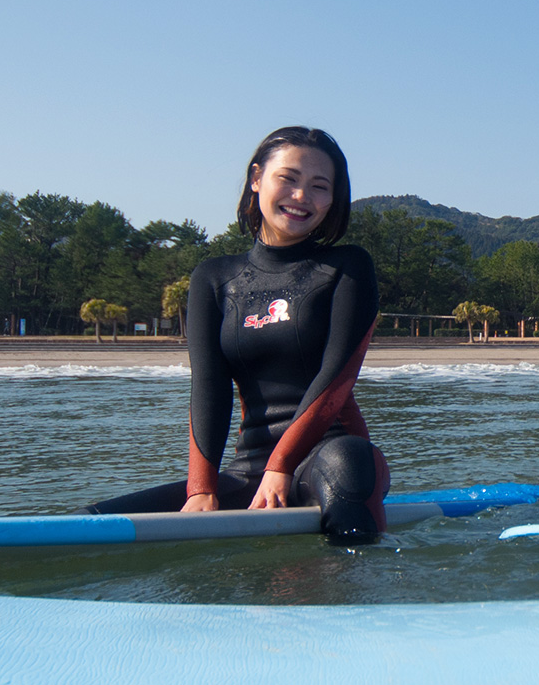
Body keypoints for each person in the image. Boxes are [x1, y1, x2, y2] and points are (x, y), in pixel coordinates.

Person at [88, 126, 389, 541]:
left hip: (332, 458)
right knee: (92, 520)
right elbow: (209, 388)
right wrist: (202, 488)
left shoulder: (347, 268)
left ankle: (350, 586)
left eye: (320, 186)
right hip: (250, 469)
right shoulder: (214, 278)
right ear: (256, 179)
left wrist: (281, 467)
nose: (301, 196)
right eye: (288, 178)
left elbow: (337, 378)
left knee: (349, 464)